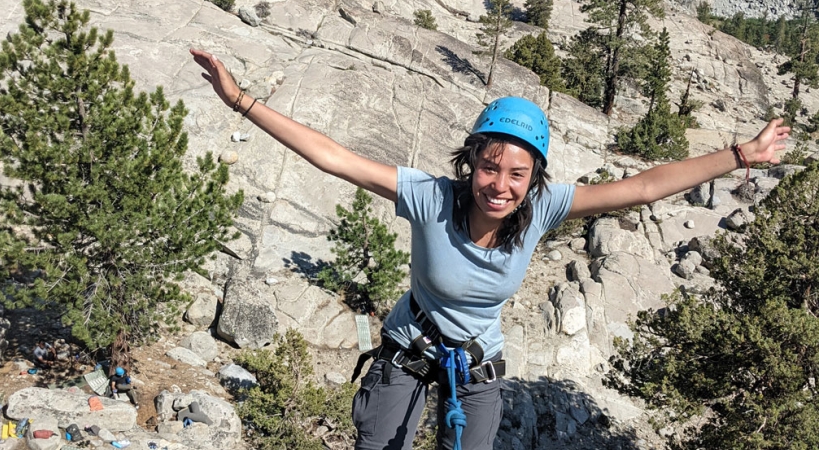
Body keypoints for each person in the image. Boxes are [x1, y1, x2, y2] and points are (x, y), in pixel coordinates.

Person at [190, 48, 790, 450]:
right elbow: (332, 155)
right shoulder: (429, 197)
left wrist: (740, 154)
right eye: (489, 166)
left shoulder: (545, 210)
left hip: (478, 365)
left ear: (534, 179)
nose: (499, 185)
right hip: (411, 346)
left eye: (517, 174)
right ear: (471, 160)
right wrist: (240, 100)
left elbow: (642, 186)